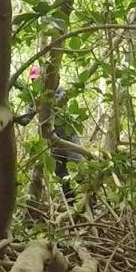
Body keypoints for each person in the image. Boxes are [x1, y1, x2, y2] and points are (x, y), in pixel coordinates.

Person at [16, 65, 84, 204]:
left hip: (68, 138)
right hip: (53, 142)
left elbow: (57, 107)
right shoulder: (33, 97)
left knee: (80, 172)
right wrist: (12, 116)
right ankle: (71, 205)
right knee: (61, 176)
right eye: (33, 80)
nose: (36, 83)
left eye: (38, 79)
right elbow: (25, 120)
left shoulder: (59, 90)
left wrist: (43, 102)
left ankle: (92, 202)